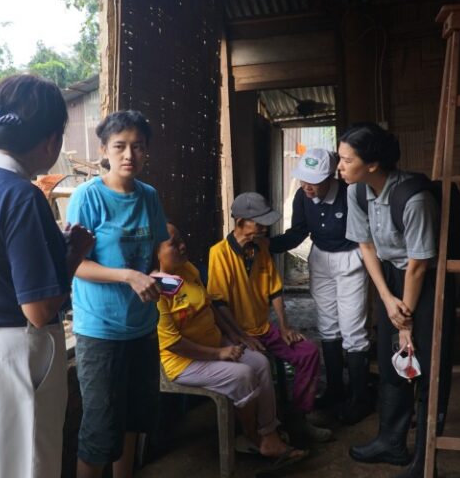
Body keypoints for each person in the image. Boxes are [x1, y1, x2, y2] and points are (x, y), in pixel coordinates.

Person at [0, 74, 95, 478]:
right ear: (51, 141)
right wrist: (74, 256)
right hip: (10, 359)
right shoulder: (21, 195)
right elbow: (39, 310)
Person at [337, 122, 455, 478]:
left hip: (425, 282)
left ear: (372, 164)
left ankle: (424, 459)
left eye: (347, 160)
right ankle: (391, 442)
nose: (339, 167)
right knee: (393, 360)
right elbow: (366, 246)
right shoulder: (357, 192)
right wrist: (388, 300)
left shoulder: (414, 200)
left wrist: (406, 319)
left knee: (427, 365)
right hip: (389, 277)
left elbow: (418, 265)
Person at [156, 222, 308, 468]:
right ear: (156, 253)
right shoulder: (155, 291)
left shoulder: (187, 269)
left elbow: (209, 308)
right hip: (184, 362)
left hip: (214, 344)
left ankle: (268, 433)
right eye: (174, 244)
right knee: (243, 374)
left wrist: (235, 335)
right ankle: (252, 436)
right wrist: (219, 353)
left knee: (260, 362)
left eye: (182, 239)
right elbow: (174, 344)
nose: (183, 246)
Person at [67, 110, 168, 478]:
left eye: (138, 147)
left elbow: (157, 250)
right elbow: (75, 264)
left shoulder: (149, 196)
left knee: (133, 421)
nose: (129, 155)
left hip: (142, 327)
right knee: (100, 430)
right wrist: (128, 276)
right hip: (101, 332)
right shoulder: (87, 197)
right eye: (120, 146)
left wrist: (157, 275)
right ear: (104, 150)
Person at [207, 192, 332, 442]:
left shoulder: (261, 247)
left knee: (308, 352)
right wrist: (241, 337)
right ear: (241, 222)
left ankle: (298, 417)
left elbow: (274, 290)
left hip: (263, 329)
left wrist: (284, 327)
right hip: (234, 333)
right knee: (257, 365)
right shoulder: (219, 253)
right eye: (259, 222)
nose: (265, 227)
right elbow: (218, 304)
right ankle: (263, 430)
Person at [270, 148, 370, 424]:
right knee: (327, 325)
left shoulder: (350, 194)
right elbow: (298, 232)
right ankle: (336, 390)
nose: (306, 186)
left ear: (330, 177)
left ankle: (360, 400)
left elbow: (367, 232)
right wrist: (268, 245)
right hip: (321, 260)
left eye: (313, 181)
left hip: (350, 260)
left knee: (353, 329)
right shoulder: (302, 197)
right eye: (304, 179)